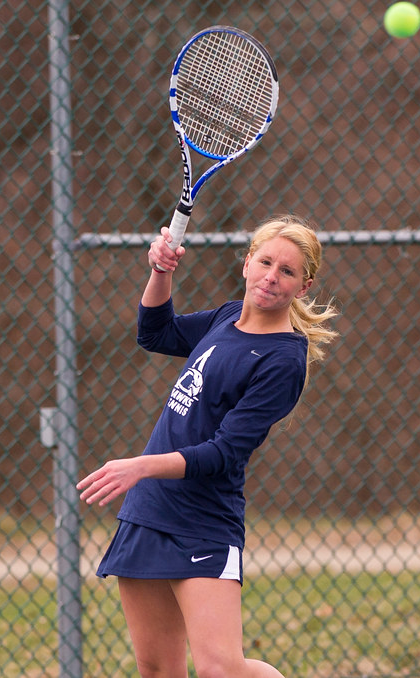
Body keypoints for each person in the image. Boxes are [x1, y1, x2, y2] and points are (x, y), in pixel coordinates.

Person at [77, 214, 338, 678]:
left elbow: (223, 453)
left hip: (204, 523)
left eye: (287, 271)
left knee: (221, 670)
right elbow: (155, 333)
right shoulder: (225, 317)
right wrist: (161, 272)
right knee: (157, 669)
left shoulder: (284, 359)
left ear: (304, 286)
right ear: (247, 264)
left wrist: (141, 466)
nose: (271, 277)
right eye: (265, 262)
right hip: (149, 511)